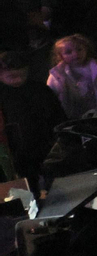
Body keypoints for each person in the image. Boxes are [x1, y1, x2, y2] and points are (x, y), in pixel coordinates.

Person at [0, 51, 66, 199]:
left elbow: (57, 114)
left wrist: (59, 137)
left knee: (53, 182)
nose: (18, 80)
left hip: (45, 144)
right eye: (11, 76)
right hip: (16, 150)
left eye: (21, 75)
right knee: (27, 187)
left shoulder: (39, 89)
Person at [46, 34, 97, 120]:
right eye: (68, 52)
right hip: (74, 117)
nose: (75, 54)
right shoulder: (57, 75)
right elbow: (52, 96)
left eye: (79, 49)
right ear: (61, 56)